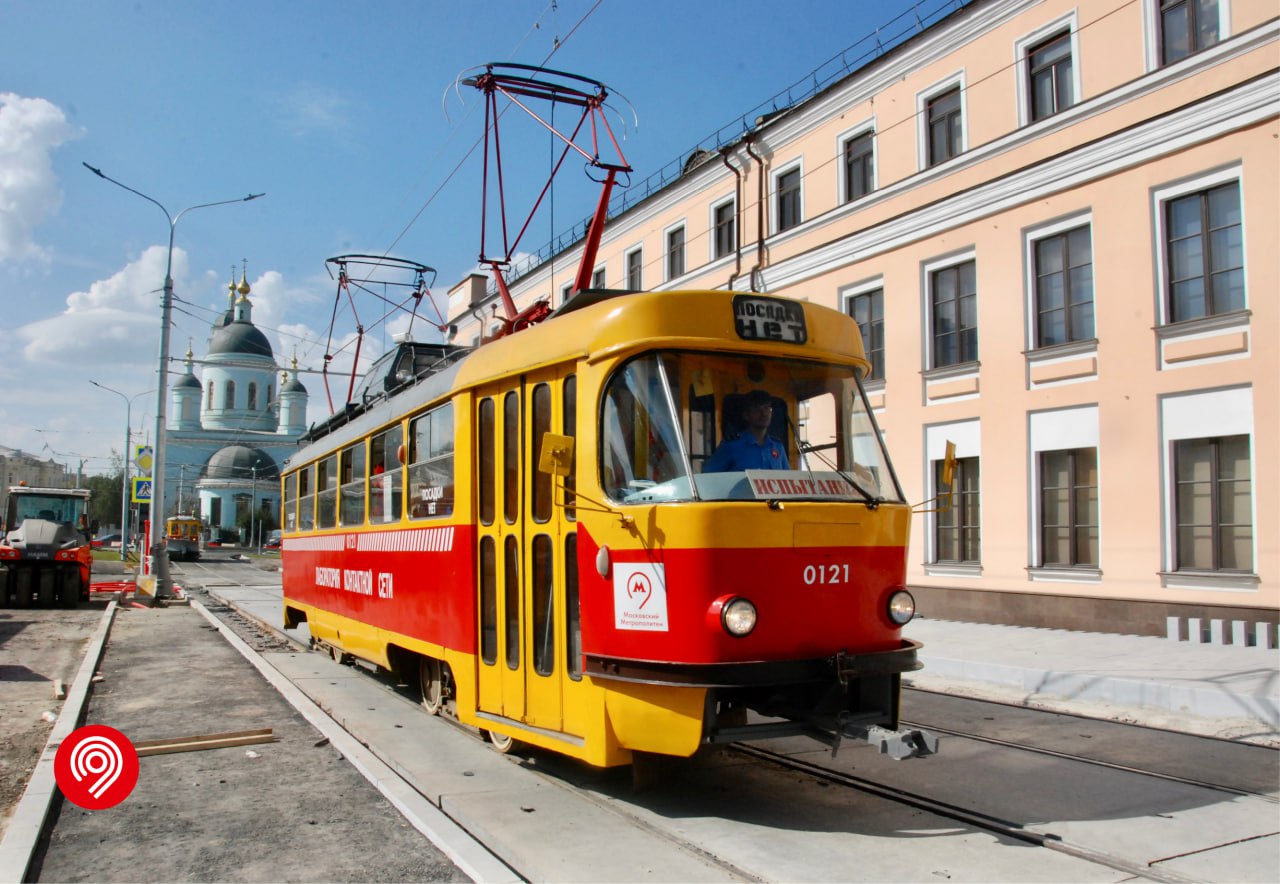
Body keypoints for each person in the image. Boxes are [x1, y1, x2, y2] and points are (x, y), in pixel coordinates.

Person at [704, 389, 791, 472]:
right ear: (746, 415)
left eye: (767, 408)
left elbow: (788, 479)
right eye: (757, 409)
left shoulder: (777, 447)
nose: (764, 413)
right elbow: (709, 476)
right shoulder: (731, 445)